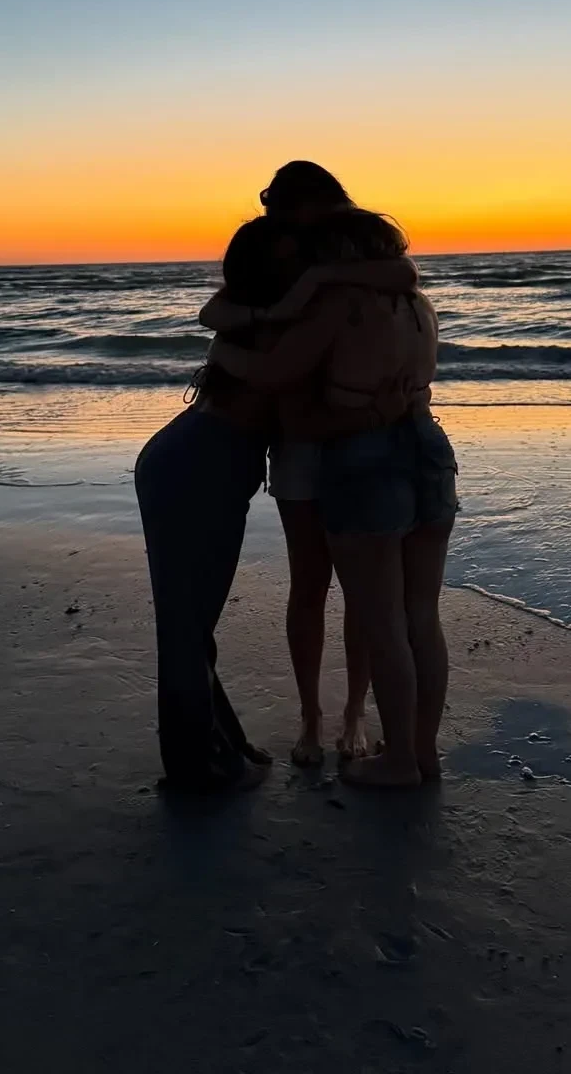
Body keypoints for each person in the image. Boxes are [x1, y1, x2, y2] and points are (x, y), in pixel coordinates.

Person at [135, 216, 409, 795]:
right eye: (291, 259)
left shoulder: (260, 316)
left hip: (193, 462)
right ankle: (196, 771)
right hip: (196, 466)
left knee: (192, 624)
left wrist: (318, 283)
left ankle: (220, 746)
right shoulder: (272, 325)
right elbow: (297, 413)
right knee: (186, 628)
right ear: (269, 268)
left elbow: (397, 274)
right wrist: (376, 412)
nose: (302, 266)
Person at [209, 207, 458, 789]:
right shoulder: (420, 306)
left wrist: (223, 355)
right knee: (421, 615)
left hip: (365, 456)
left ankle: (397, 761)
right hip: (427, 444)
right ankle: (422, 753)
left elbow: (276, 373)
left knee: (382, 620)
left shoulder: (342, 305)